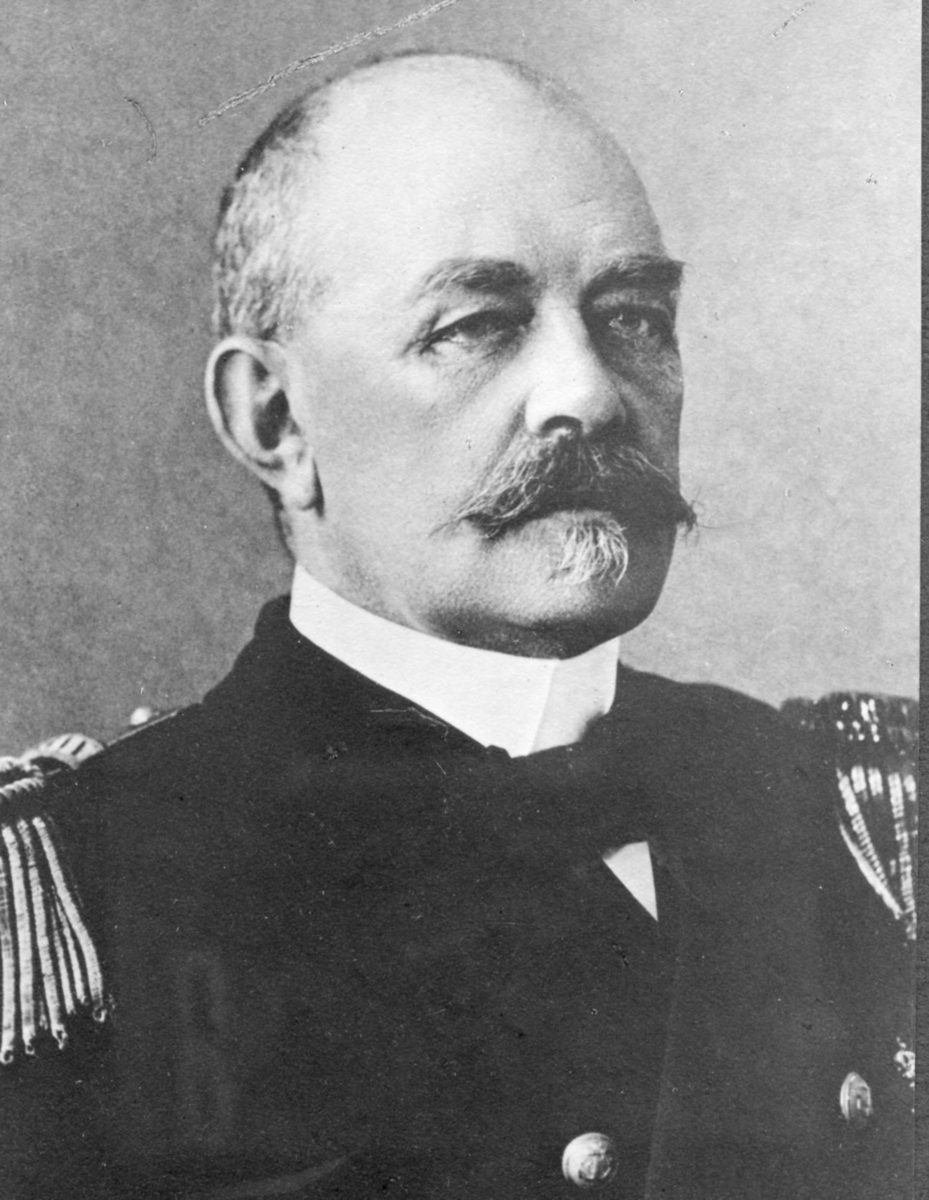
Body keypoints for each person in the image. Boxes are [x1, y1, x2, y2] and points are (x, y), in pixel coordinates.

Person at [0, 51, 913, 1199]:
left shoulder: (855, 826)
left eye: (632, 317)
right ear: (274, 421)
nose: (589, 393)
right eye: (477, 324)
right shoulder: (81, 900)